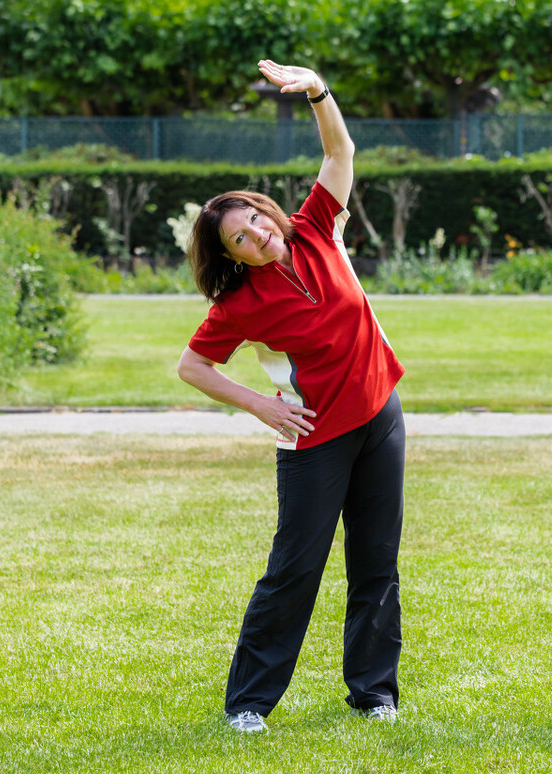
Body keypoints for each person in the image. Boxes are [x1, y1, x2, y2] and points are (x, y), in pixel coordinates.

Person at [177, 61, 406, 734]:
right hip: (314, 442)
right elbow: (192, 366)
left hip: (380, 419)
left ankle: (374, 694)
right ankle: (248, 703)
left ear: (268, 212)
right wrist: (262, 404)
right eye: (238, 239)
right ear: (234, 256)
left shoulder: (313, 228)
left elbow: (341, 152)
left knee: (376, 562)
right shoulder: (240, 303)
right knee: (295, 568)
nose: (255, 235)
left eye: (253, 220)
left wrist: (318, 92)